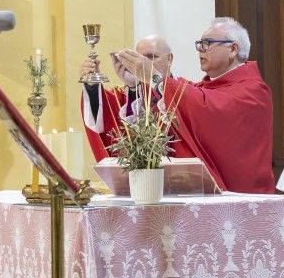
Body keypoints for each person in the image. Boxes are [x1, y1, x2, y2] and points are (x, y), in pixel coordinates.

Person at [107, 17, 275, 193]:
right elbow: (172, 115)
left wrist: (155, 78)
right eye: (200, 44)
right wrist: (136, 85)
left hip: (242, 199)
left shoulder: (253, 90)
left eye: (207, 43)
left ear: (233, 49)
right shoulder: (202, 89)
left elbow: (210, 110)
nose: (200, 49)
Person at [80, 34, 192, 164]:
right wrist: (93, 84)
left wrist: (153, 81)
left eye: (151, 57)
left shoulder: (186, 91)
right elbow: (104, 123)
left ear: (170, 59)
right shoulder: (124, 94)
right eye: (138, 59)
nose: (142, 64)